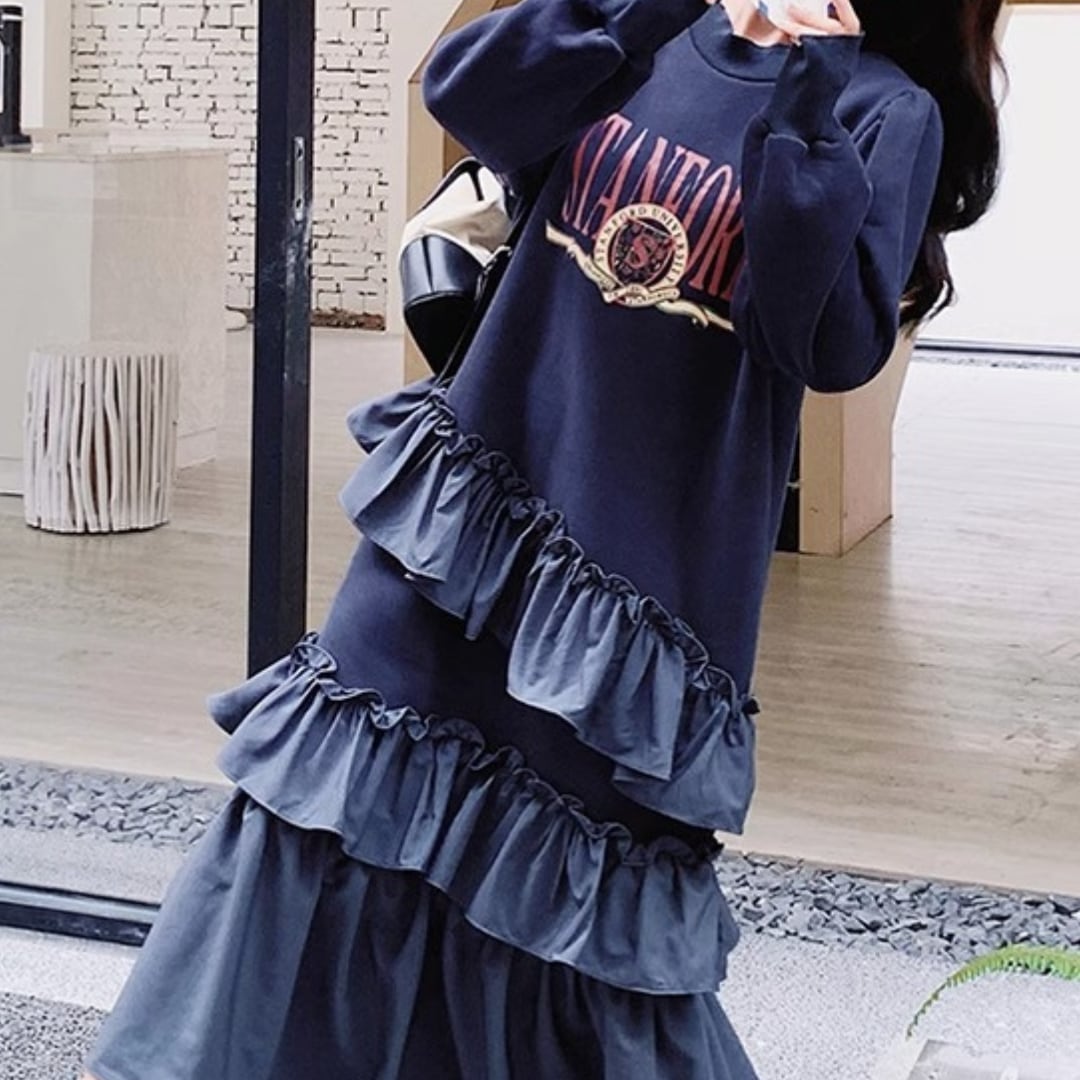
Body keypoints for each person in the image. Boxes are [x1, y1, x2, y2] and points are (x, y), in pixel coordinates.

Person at [84, 0, 1004, 1076]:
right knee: (332, 810)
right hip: (465, 527)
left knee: (564, 916)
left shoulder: (883, 109)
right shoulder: (647, 34)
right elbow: (468, 91)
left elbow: (823, 339)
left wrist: (808, 100)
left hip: (632, 608)